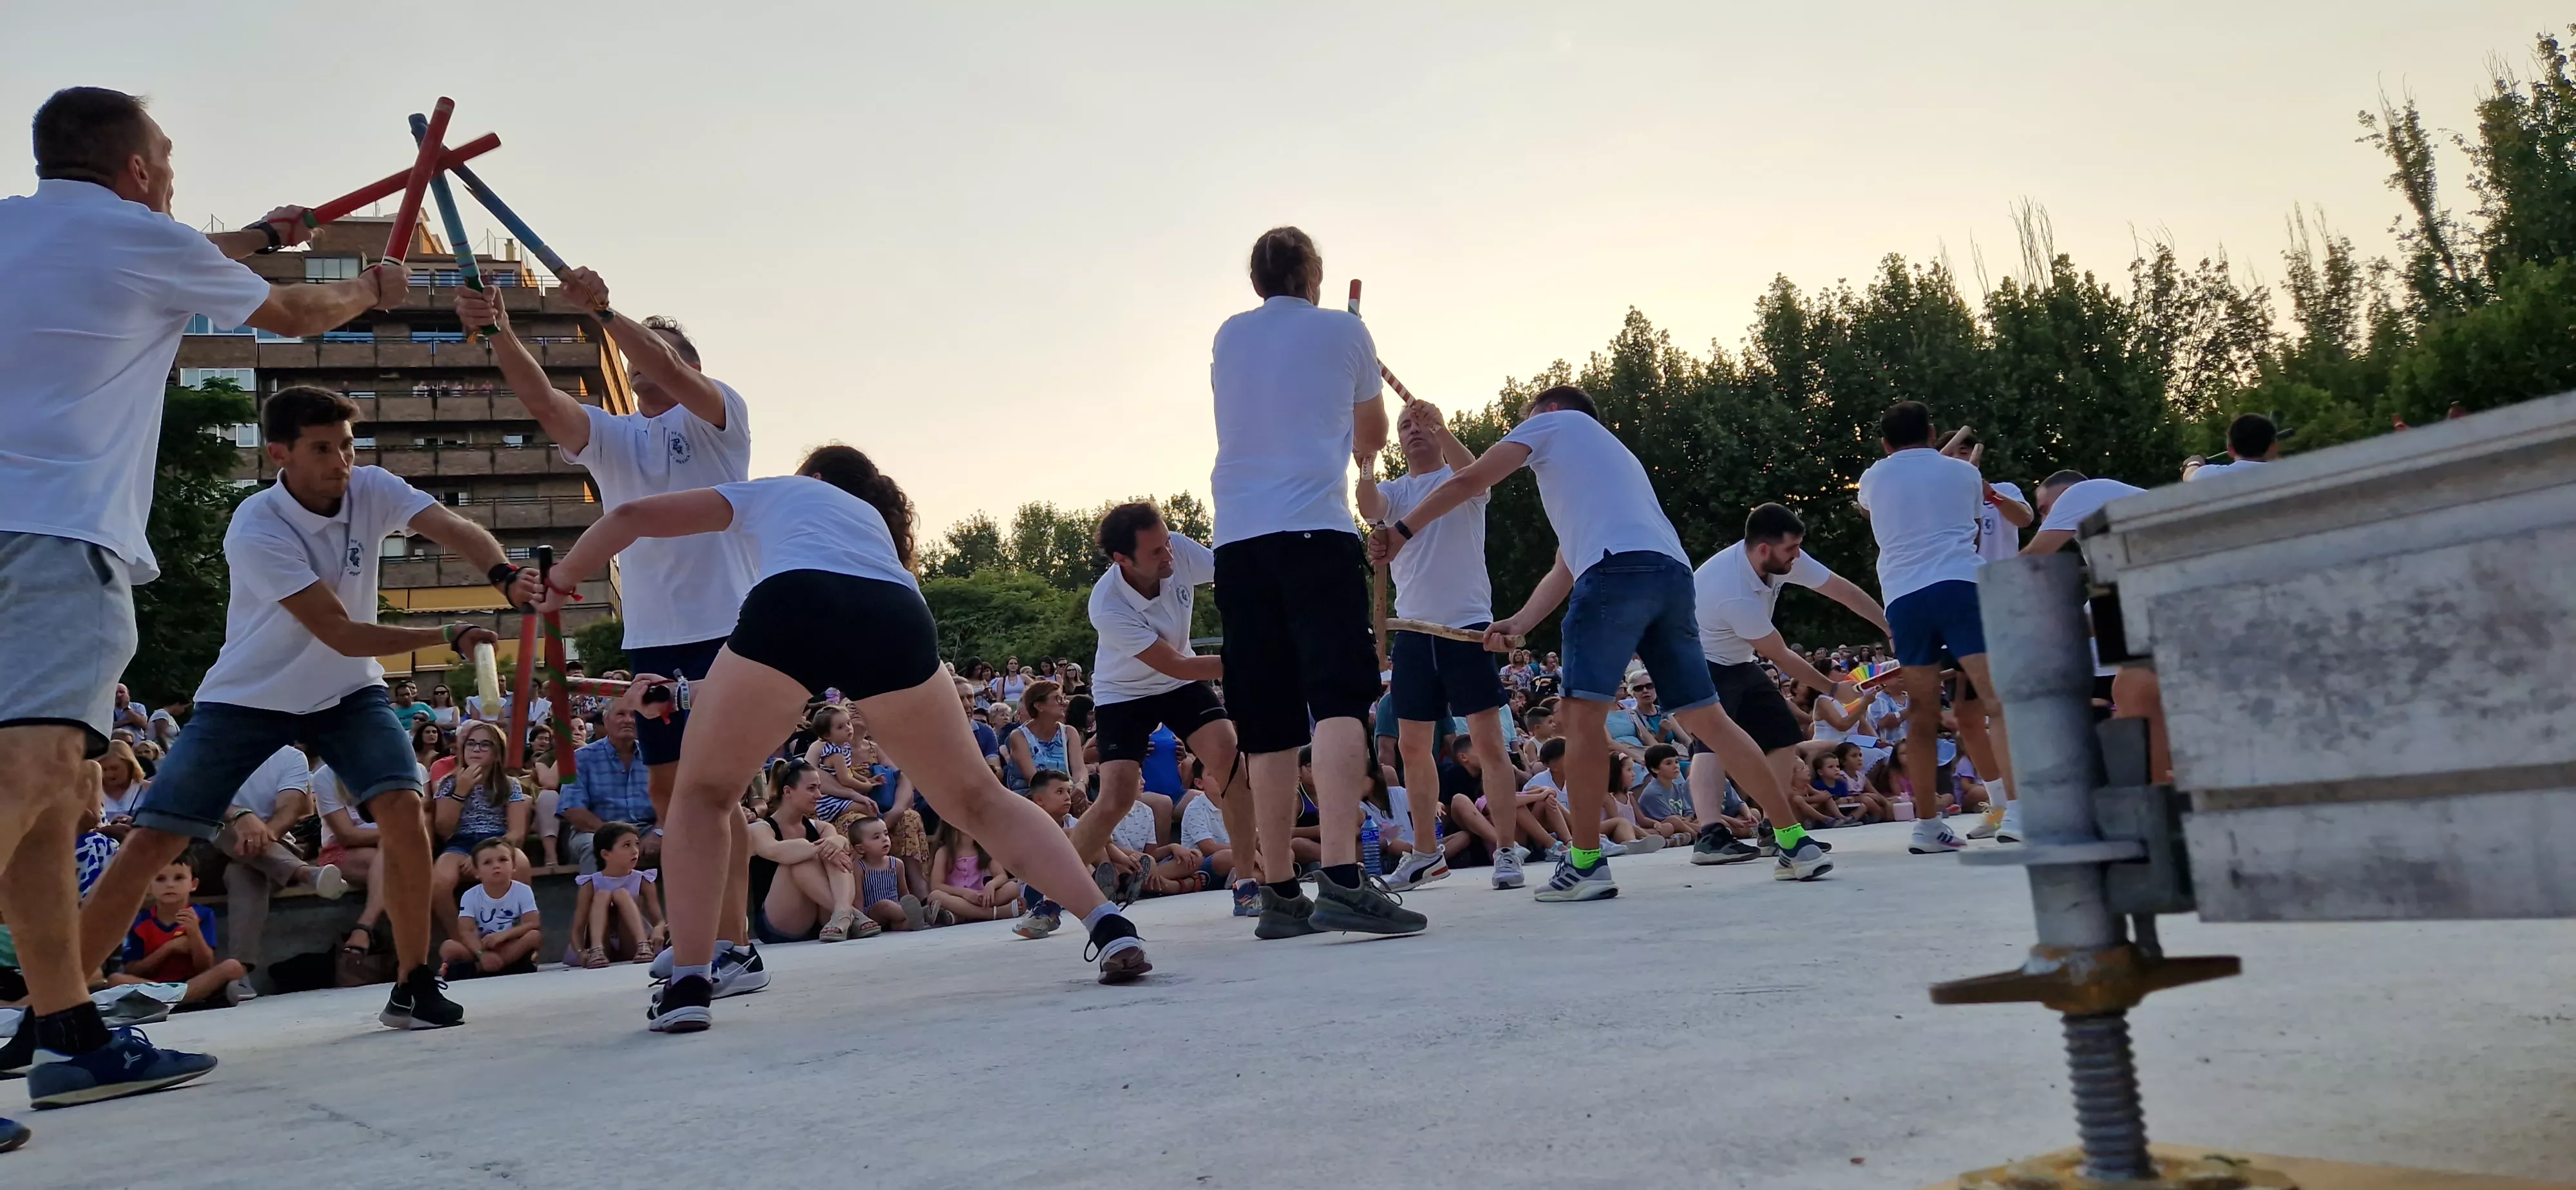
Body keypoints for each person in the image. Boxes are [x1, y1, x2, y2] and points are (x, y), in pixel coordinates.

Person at [0, 87, 418, 1126]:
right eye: (168, 157)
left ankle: (69, 1032)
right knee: (38, 772)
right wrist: (367, 286)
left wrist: (261, 237)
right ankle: (66, 1028)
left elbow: (163, 257)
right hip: (54, 531)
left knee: (52, 804)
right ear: (137, 171)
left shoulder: (25, 229)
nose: (175, 175)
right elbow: (287, 311)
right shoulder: (140, 237)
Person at [533, 444, 1154, 1032]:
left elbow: (634, 515)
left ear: (817, 478)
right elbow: (816, 664)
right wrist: (693, 690)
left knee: (703, 796)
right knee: (979, 798)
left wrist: (560, 580)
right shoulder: (875, 534)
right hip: (897, 613)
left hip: (793, 603)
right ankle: (1106, 924)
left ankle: (692, 981)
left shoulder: (787, 492)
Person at [77, 386, 537, 1051]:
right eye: (323, 449)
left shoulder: (373, 487)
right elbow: (339, 631)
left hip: (348, 695)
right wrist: (450, 632)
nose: (341, 462)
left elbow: (453, 528)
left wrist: (502, 573)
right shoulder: (258, 524)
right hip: (248, 697)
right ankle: (54, 1008)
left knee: (405, 809)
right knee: (153, 840)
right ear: (279, 454)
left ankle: (412, 983)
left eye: (348, 446)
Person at [1370, 384, 1816, 900]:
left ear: (1551, 413)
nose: (1523, 432)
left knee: (1581, 721)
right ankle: (1793, 841)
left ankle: (1584, 864)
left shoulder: (1555, 423)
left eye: (1526, 421)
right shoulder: (1613, 461)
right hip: (1669, 576)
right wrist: (1519, 621)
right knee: (1708, 717)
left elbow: (1469, 479)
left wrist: (1401, 530)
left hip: (1612, 576)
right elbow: (1566, 563)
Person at [456, 268, 765, 998]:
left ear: (690, 365)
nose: (642, 370)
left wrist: (602, 311)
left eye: (656, 357)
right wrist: (497, 329)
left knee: (716, 794)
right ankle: (703, 937)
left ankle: (736, 946)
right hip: (654, 637)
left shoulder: (722, 418)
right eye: (634, 366)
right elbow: (541, 399)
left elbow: (658, 361)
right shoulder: (617, 438)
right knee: (669, 797)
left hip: (727, 628)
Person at [1208, 227, 1421, 938]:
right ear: (1314, 276)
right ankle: (1341, 877)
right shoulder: (1343, 333)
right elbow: (1372, 438)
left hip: (1238, 542)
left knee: (1265, 723)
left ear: (1257, 280)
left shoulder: (1229, 337)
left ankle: (1276, 894)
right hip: (1312, 531)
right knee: (1336, 701)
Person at [1355, 398, 1530, 894]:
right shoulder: (1395, 492)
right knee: (1413, 747)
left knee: (1488, 743)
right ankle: (1428, 854)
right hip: (1412, 630)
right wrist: (1365, 458)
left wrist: (1442, 426)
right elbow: (1369, 507)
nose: (1413, 431)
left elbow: (1475, 470)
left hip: (1466, 627)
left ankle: (1506, 849)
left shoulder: (1466, 482)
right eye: (1405, 425)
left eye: (1421, 424)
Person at [1068, 502, 1256, 932]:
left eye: (1167, 543)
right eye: (1155, 552)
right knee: (1115, 797)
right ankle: (1049, 892)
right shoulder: (1108, 604)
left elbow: (1237, 574)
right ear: (1123, 560)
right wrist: (1255, 659)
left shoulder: (1179, 550)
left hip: (1179, 685)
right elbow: (1178, 665)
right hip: (1127, 691)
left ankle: (1246, 880)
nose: (1169, 555)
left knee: (1230, 762)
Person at [1685, 502, 1889, 873]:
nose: (1798, 556)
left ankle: (1773, 827)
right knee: (1712, 741)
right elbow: (1780, 655)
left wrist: (1889, 625)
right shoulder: (1731, 590)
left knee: (1781, 733)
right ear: (1764, 549)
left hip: (1737, 659)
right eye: (1791, 549)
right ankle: (1710, 835)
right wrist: (1831, 687)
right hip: (1699, 660)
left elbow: (1840, 590)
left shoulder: (1782, 559)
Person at [1853, 401, 2015, 855]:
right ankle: (2018, 810)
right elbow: (1966, 522)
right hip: (1960, 585)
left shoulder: (1872, 478)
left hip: (1904, 598)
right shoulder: (1963, 474)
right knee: (1996, 700)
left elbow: (1871, 511)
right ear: (1932, 430)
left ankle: (1927, 825)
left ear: (1885, 443)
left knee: (1922, 715)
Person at [2026, 469, 2168, 792]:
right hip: (2158, 589)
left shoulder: (2082, 494)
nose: (2044, 519)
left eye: (2044, 508)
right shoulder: (2111, 525)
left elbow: (2030, 559)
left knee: (2133, 690)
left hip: (2158, 591)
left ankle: (2152, 798)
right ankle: (2160, 790)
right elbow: (2090, 619)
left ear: (2065, 493)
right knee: (2138, 692)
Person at [1955, 430, 2031, 842]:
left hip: (2001, 604)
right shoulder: (1942, 500)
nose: (1962, 459)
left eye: (1966, 452)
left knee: (2002, 706)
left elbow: (2026, 519)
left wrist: (1990, 494)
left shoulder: (2001, 491)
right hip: (1961, 603)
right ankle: (1999, 803)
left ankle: (2021, 808)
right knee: (1967, 715)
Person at [747, 758, 867, 945]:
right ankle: (850, 913)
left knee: (833, 852)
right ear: (788, 791)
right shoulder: (760, 829)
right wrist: (829, 844)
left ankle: (843, 912)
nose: (819, 795)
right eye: (811, 788)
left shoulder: (821, 828)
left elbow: (837, 851)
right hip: (779, 922)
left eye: (819, 788)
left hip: (825, 920)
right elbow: (777, 851)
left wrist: (838, 841)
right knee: (802, 857)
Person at [114, 857, 249, 1008]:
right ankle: (185, 999)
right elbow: (133, 970)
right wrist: (168, 949)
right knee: (115, 979)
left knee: (233, 966)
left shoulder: (203, 915)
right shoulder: (139, 921)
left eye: (179, 878)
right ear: (149, 886)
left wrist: (195, 934)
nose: (170, 885)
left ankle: (169, 1001)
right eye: (160, 879)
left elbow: (205, 967)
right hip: (153, 985)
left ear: (193, 884)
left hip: (192, 982)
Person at [559, 707, 655, 873]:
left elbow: (671, 802)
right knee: (594, 846)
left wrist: (659, 832)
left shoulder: (656, 755)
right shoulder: (581, 757)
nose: (629, 720)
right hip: (596, 830)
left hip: (647, 829)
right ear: (606, 721)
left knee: (682, 841)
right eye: (621, 714)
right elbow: (572, 809)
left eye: (634, 715)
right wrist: (615, 836)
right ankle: (596, 898)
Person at [441, 838, 542, 980]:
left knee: (534, 936)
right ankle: (505, 967)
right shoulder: (470, 896)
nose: (496, 866)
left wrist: (503, 936)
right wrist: (482, 954)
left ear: (513, 866)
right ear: (477, 872)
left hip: (510, 945)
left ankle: (480, 969)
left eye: (503, 860)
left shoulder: (523, 891)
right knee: (449, 947)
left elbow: (533, 923)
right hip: (482, 947)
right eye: (488, 863)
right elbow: (466, 930)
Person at [571, 821, 663, 967]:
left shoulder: (644, 880)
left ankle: (642, 945)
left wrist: (658, 931)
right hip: (605, 941)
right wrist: (580, 952)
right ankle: (597, 950)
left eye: (637, 844)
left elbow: (659, 920)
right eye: (627, 845)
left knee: (622, 894)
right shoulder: (590, 883)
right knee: (602, 895)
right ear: (606, 854)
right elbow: (578, 928)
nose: (635, 851)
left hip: (630, 942)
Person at [1005, 681, 1086, 795]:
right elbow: (1034, 780)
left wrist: (1080, 786)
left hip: (1066, 793)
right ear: (1039, 706)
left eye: (1063, 698)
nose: (1065, 703)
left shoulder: (1069, 732)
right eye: (1057, 698)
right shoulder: (1019, 736)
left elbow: (1080, 769)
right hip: (1034, 798)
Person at [2184, 412, 2280, 482]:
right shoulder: (2286, 475)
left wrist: (2193, 463)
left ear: (2230, 450)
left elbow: (2189, 476)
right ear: (2273, 447)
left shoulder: (2209, 475)